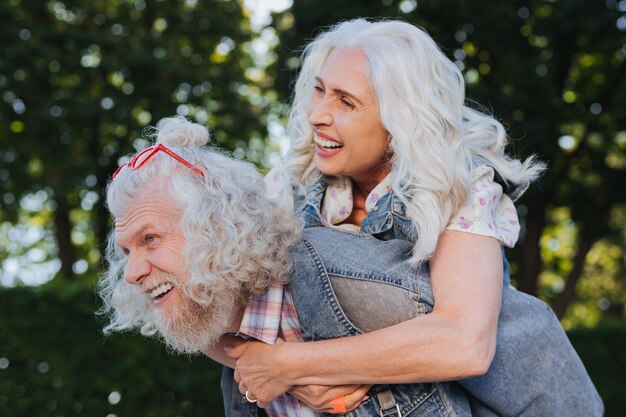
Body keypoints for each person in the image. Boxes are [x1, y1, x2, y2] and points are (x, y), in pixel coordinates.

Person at [100, 117, 602, 417]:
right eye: (126, 250)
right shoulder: (236, 354)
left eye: (149, 240)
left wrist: (295, 367)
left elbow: (512, 347)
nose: (131, 271)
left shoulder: (341, 276)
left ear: (219, 231)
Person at [224, 18, 602, 416]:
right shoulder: (289, 186)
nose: (317, 114)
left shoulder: (458, 188)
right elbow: (198, 304)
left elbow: (463, 343)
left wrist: (292, 365)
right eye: (318, 90)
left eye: (345, 101)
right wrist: (270, 371)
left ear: (399, 121)